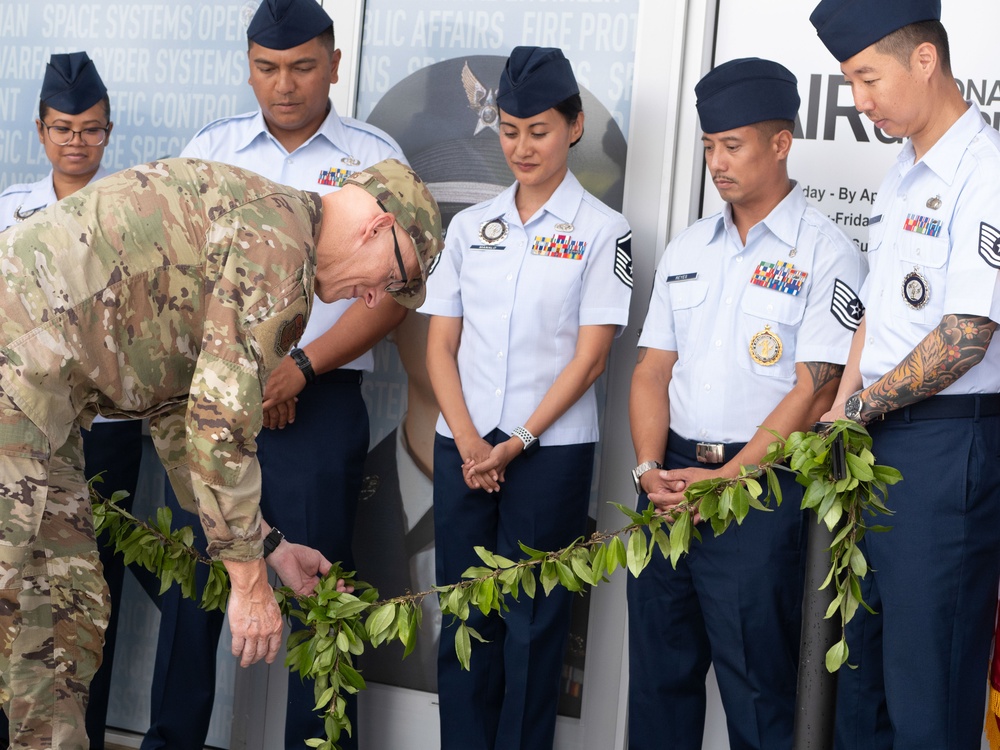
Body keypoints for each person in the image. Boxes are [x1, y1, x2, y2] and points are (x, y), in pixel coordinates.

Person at [0, 156, 441, 750]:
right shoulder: (281, 247)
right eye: (390, 278)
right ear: (377, 226)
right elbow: (219, 431)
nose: (371, 299)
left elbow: (182, 420)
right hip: (16, 382)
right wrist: (250, 583)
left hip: (36, 402)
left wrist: (269, 546)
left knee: (60, 613)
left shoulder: (267, 223)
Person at [142, 0, 409, 746]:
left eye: (301, 68)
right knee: (196, 583)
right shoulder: (211, 148)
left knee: (317, 593)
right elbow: (177, 280)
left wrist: (297, 366)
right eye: (267, 68)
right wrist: (241, 383)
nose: (283, 85)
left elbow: (394, 293)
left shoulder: (373, 160)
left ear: (334, 65)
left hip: (318, 401)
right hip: (212, 403)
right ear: (249, 67)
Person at [626, 58, 867, 750]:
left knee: (759, 695)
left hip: (758, 494)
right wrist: (648, 469)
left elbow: (816, 387)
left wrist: (730, 481)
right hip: (670, 485)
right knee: (658, 688)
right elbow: (651, 372)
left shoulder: (824, 250)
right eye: (708, 147)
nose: (716, 162)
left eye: (732, 145)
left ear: (781, 143)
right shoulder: (687, 246)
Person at [422, 46, 633, 750]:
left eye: (538, 131)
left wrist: (516, 442)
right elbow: (440, 348)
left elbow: (592, 356)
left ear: (573, 127)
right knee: (463, 620)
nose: (521, 146)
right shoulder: (469, 227)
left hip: (549, 456)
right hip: (464, 446)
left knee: (534, 627)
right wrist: (472, 441)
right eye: (509, 130)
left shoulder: (605, 233)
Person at [808, 2, 1000, 747]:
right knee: (863, 688)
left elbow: (964, 336)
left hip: (946, 449)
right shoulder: (900, 173)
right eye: (851, 81)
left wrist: (858, 405)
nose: (860, 101)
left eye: (867, 78)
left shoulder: (983, 169)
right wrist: (845, 410)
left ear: (924, 61)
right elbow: (877, 316)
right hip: (873, 442)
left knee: (928, 691)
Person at [0, 51, 157, 750]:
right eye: (63, 128)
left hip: (107, 429)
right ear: (40, 130)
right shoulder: (10, 211)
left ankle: (80, 735)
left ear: (109, 131)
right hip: (23, 432)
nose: (76, 141)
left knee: (89, 591)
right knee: (13, 584)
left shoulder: (132, 214)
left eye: (90, 129)